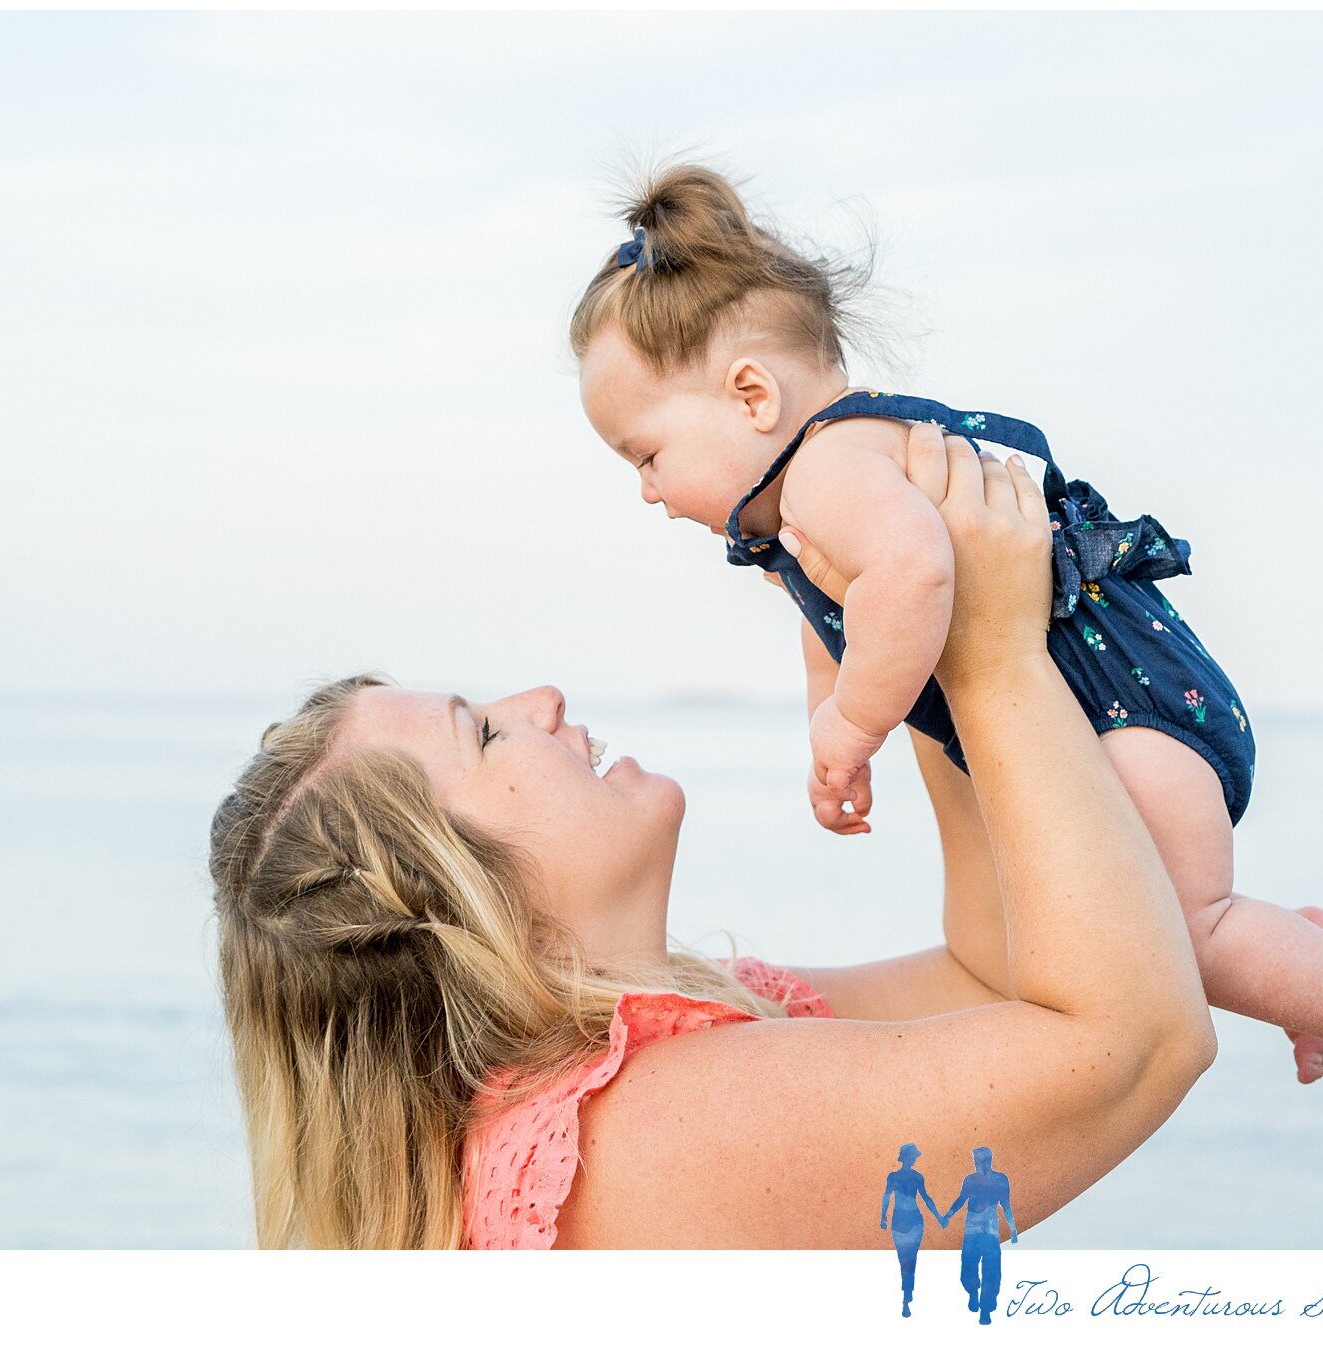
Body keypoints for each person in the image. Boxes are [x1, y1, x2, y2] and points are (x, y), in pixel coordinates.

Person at [573, 163, 1323, 1152]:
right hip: (1093, 702)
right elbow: (830, 621)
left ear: (752, 394)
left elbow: (913, 575)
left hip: (1122, 696)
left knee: (1173, 935)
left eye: (645, 454)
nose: (644, 490)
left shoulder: (829, 469)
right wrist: (829, 718)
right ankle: (1296, 952)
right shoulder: (800, 505)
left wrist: (855, 726)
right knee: (1136, 926)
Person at [210, 428, 1217, 1248]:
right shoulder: (657, 1133)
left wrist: (913, 646)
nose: (540, 697)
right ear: (451, 903)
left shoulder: (658, 1057)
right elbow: (1129, 1046)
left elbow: (990, 976)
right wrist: (994, 656)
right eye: (479, 731)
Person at [942, 1147, 1016, 1325]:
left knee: (991, 1270)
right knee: (968, 1266)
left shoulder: (1000, 1180)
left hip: (990, 1231)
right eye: (974, 1160)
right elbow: (961, 1199)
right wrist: (949, 1214)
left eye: (977, 1160)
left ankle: (985, 1309)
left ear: (985, 1161)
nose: (975, 1163)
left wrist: (1013, 1228)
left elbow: (1006, 1205)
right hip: (973, 1230)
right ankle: (973, 1293)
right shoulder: (970, 1180)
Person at [880, 1143, 942, 1316]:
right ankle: (907, 1292)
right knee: (903, 1260)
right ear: (905, 1156)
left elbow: (926, 1198)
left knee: (910, 1259)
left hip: (914, 1220)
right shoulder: (893, 1177)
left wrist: (939, 1217)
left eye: (915, 1156)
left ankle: (907, 1296)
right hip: (900, 1221)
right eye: (912, 1156)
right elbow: (886, 1197)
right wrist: (883, 1216)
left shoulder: (917, 1177)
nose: (914, 1159)